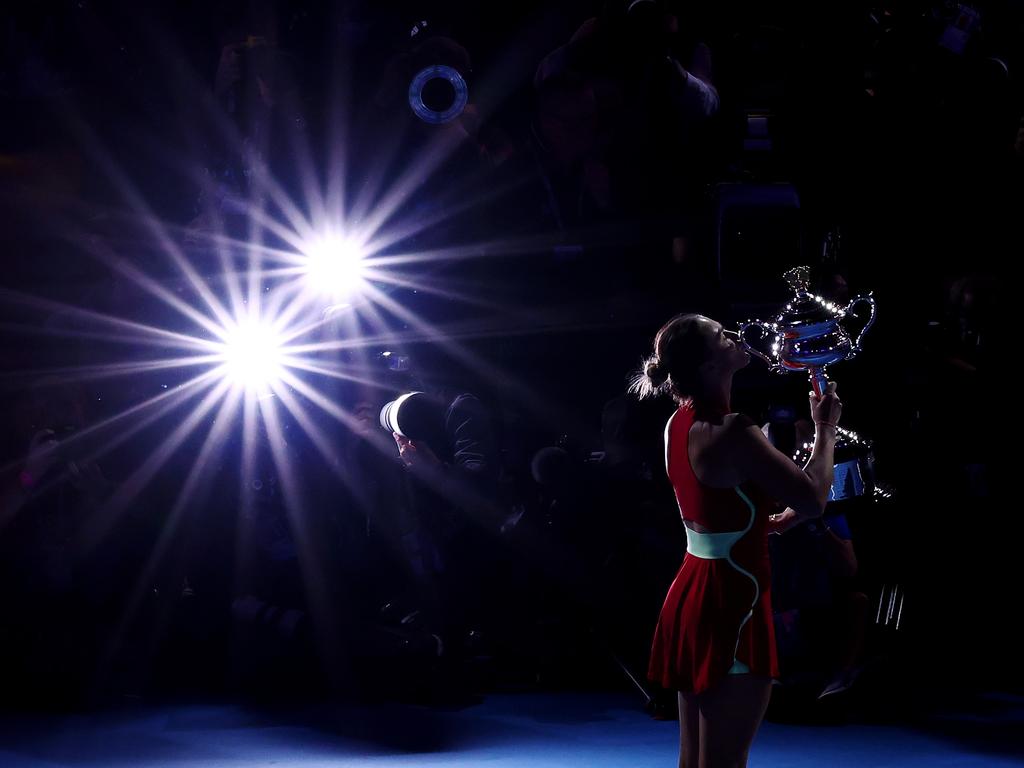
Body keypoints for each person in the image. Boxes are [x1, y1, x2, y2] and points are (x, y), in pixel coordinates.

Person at [632, 313, 841, 768]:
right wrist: (825, 428)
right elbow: (812, 500)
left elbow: (711, 512)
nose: (734, 336)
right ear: (707, 365)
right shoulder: (733, 430)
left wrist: (765, 523)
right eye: (721, 336)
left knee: (694, 760)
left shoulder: (677, 422)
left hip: (693, 591)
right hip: (733, 600)